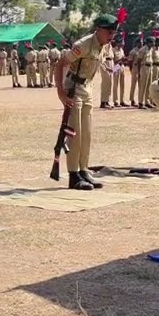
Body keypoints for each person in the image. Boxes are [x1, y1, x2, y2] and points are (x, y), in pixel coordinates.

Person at [55, 14, 119, 191]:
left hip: (87, 88)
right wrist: (61, 93)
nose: (111, 36)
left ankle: (83, 170)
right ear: (98, 29)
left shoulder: (104, 45)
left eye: (113, 32)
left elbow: (101, 66)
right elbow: (60, 64)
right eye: (108, 32)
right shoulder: (83, 44)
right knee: (75, 134)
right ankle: (73, 175)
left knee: (87, 134)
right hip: (74, 88)